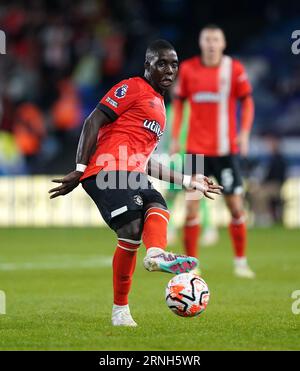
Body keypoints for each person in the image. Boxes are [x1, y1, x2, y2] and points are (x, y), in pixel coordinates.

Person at [49, 40, 222, 327]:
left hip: (132, 173)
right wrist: (79, 169)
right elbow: (93, 121)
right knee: (131, 227)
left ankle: (154, 256)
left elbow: (147, 160)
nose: (169, 70)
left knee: (157, 204)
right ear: (147, 65)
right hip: (105, 169)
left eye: (174, 64)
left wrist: (188, 180)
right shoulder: (131, 87)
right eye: (162, 63)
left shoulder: (160, 109)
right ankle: (122, 307)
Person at [171, 25, 255, 278]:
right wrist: (175, 138)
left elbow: (247, 100)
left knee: (236, 207)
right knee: (191, 209)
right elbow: (178, 102)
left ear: (223, 43)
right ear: (200, 43)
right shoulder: (187, 69)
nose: (211, 43)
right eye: (207, 39)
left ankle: (240, 262)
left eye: (215, 39)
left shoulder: (234, 69)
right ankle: (191, 264)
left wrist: (245, 132)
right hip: (195, 151)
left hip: (225, 150)